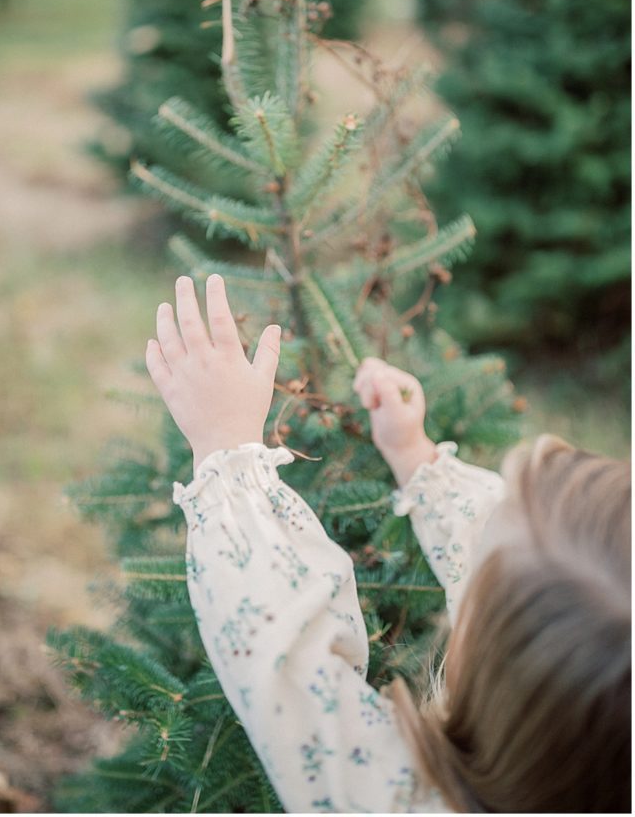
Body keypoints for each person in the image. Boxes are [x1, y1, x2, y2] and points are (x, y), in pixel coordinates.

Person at [146, 274, 631, 813]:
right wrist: (414, 456)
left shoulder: (396, 796)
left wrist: (226, 450)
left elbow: (289, 658)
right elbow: (506, 558)